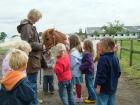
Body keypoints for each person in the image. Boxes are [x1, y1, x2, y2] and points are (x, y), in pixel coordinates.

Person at [17, 9, 42, 105]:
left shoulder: (28, 26)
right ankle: (33, 102)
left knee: (32, 84)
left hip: (32, 59)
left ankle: (34, 100)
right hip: (31, 60)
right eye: (38, 18)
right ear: (34, 16)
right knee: (32, 85)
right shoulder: (27, 27)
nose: (38, 20)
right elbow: (27, 44)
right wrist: (41, 46)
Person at [94, 37, 121, 105]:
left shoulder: (103, 59)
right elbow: (118, 73)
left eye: (101, 46)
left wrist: (98, 87)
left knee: (101, 102)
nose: (99, 48)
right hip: (112, 88)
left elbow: (101, 75)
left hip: (103, 89)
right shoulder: (115, 57)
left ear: (107, 47)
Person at [79, 39, 96, 103]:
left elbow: (89, 63)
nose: (82, 45)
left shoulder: (87, 54)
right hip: (90, 71)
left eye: (83, 44)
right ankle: (91, 97)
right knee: (90, 85)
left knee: (89, 85)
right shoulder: (89, 52)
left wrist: (81, 67)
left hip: (89, 72)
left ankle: (93, 99)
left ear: (86, 45)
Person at [69, 35, 83, 102]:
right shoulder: (78, 49)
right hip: (78, 71)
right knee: (78, 85)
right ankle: (79, 97)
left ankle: (74, 98)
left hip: (74, 72)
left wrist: (69, 68)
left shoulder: (73, 51)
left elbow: (72, 63)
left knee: (72, 85)